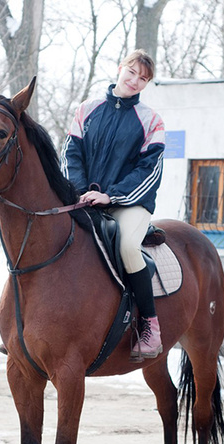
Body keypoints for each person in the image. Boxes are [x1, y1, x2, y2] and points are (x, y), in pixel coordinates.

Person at [61, 49, 165, 360]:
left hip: (129, 202)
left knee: (129, 248)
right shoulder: (87, 109)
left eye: (143, 78)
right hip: (85, 199)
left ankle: (149, 325)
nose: (135, 81)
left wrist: (112, 196)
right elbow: (71, 154)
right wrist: (79, 191)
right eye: (132, 73)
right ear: (120, 69)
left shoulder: (151, 121)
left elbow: (149, 171)